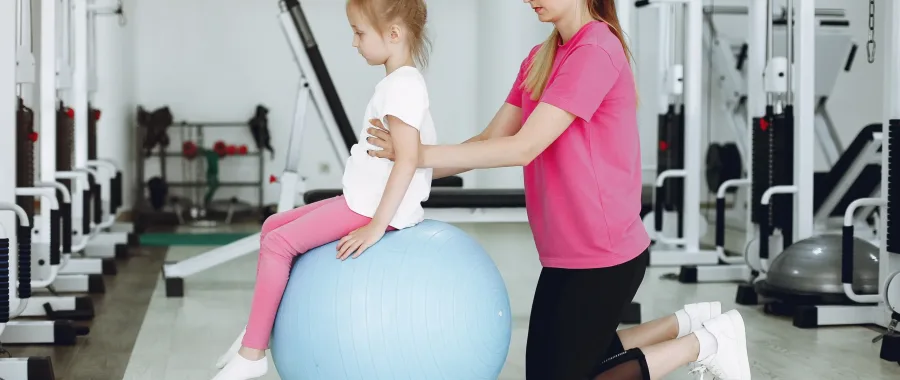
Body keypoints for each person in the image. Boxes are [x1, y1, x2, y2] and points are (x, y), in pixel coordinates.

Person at [364, 0, 753, 379]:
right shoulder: (539, 58)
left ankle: (708, 343)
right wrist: (407, 166)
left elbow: (525, 146)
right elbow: (487, 139)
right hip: (564, 252)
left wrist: (413, 152)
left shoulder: (596, 49)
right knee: (564, 363)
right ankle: (688, 321)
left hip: (603, 250)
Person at [211, 1, 435, 379]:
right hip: (361, 198)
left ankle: (253, 356)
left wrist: (378, 225)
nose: (354, 42)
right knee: (272, 227)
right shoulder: (397, 82)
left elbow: (408, 160)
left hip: (372, 208)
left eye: (360, 32)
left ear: (393, 34)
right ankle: (256, 333)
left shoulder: (404, 87)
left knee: (278, 244)